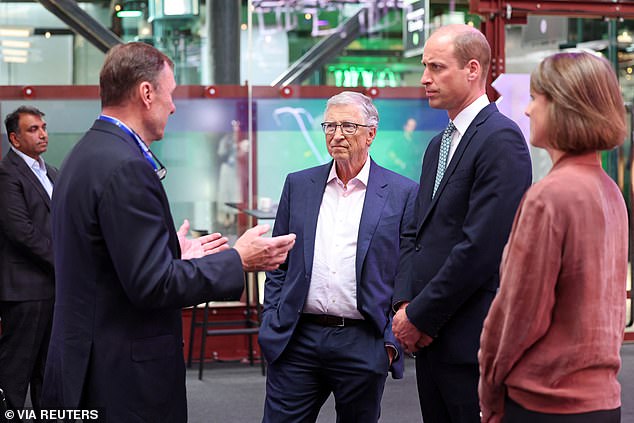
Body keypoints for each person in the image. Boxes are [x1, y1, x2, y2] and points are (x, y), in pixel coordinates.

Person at [41, 42, 296, 422]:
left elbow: (103, 261)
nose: (174, 106)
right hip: (123, 381)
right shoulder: (127, 167)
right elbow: (152, 285)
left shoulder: (83, 155)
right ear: (147, 93)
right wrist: (237, 260)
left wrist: (170, 252)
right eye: (170, 93)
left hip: (83, 363)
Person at [391, 24, 532, 422]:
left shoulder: (500, 139)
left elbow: (481, 248)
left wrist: (419, 317)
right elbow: (414, 233)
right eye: (424, 67)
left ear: (473, 69)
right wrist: (404, 305)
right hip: (428, 339)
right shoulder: (440, 144)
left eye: (436, 67)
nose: (425, 78)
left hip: (469, 341)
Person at [479, 52, 628, 423]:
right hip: (602, 401)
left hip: (544, 402)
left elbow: (519, 314)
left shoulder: (550, 196)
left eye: (535, 98)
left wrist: (490, 387)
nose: (527, 111)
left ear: (563, 106)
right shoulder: (610, 192)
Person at [259, 91, 418, 423]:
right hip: (297, 338)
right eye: (329, 125)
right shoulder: (299, 184)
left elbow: (408, 271)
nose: (337, 135)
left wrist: (388, 344)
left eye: (348, 125)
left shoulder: (402, 193)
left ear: (371, 133)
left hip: (363, 340)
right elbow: (279, 262)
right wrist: (271, 322)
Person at [0, 106, 57, 418]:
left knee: (48, 370)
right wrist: (64, 262)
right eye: (33, 129)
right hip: (25, 292)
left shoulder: (52, 173)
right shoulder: (7, 173)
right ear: (15, 138)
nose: (43, 134)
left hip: (52, 288)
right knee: (15, 370)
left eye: (43, 127)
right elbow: (21, 232)